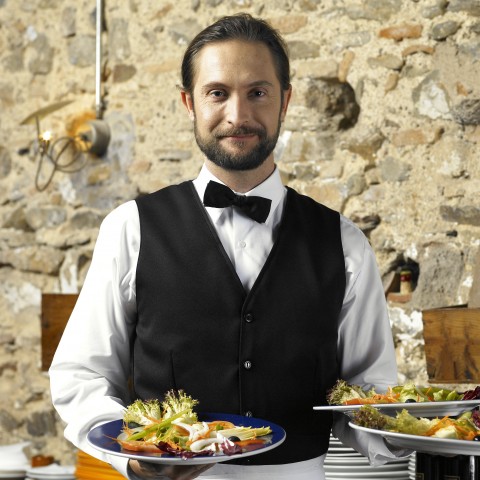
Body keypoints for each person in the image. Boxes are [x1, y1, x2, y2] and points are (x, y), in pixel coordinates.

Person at [49, 13, 408, 480]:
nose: (238, 115)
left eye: (257, 92)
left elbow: (367, 391)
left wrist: (420, 436)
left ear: (285, 102)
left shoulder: (344, 243)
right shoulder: (129, 229)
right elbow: (82, 375)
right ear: (188, 103)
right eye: (217, 93)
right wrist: (133, 457)